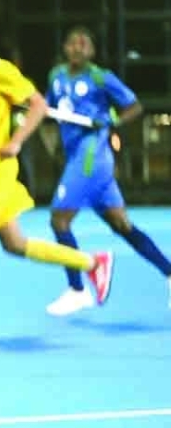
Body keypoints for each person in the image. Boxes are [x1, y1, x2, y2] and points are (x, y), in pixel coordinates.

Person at [0, 9, 114, 335]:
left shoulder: (0, 70)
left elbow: (39, 105)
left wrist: (15, 141)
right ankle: (92, 262)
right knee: (14, 243)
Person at [44, 26, 171, 316]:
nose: (78, 48)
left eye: (84, 43)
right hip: (76, 156)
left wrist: (112, 119)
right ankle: (169, 272)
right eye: (72, 42)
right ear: (65, 48)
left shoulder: (101, 78)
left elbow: (134, 106)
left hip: (93, 158)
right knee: (121, 225)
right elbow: (49, 110)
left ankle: (77, 290)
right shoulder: (56, 77)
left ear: (92, 51)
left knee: (59, 220)